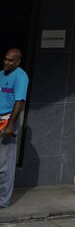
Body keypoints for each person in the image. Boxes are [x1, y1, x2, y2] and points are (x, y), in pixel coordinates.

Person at [0, 48, 28, 207]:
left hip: (7, 122)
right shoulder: (1, 74)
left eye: (11, 60)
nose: (7, 62)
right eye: (5, 59)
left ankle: (3, 201)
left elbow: (19, 102)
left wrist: (10, 125)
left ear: (18, 62)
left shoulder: (21, 77)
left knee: (5, 164)